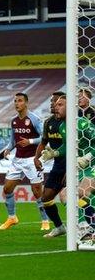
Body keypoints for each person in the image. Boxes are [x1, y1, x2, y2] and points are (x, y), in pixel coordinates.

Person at [38, 95, 95, 239]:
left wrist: (89, 156)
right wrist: (55, 153)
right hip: (82, 167)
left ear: (70, 107)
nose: (56, 107)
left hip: (92, 163)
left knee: (82, 193)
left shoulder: (82, 124)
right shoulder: (63, 126)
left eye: (60, 104)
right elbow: (67, 146)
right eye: (56, 105)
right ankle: (84, 227)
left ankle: (86, 227)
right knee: (65, 195)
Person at [0, 92, 50, 231]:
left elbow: (44, 137)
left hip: (32, 159)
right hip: (17, 160)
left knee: (37, 191)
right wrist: (8, 149)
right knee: (7, 188)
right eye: (15, 101)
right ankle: (12, 218)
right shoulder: (14, 120)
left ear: (26, 103)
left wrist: (30, 141)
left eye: (20, 101)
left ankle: (45, 220)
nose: (17, 103)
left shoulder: (34, 119)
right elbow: (13, 139)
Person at [34, 92, 67, 237]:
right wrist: (36, 158)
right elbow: (43, 142)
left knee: (69, 197)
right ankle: (60, 227)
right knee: (46, 197)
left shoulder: (71, 121)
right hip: (58, 165)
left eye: (56, 102)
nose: (52, 104)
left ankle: (85, 227)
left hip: (73, 164)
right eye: (52, 101)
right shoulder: (48, 122)